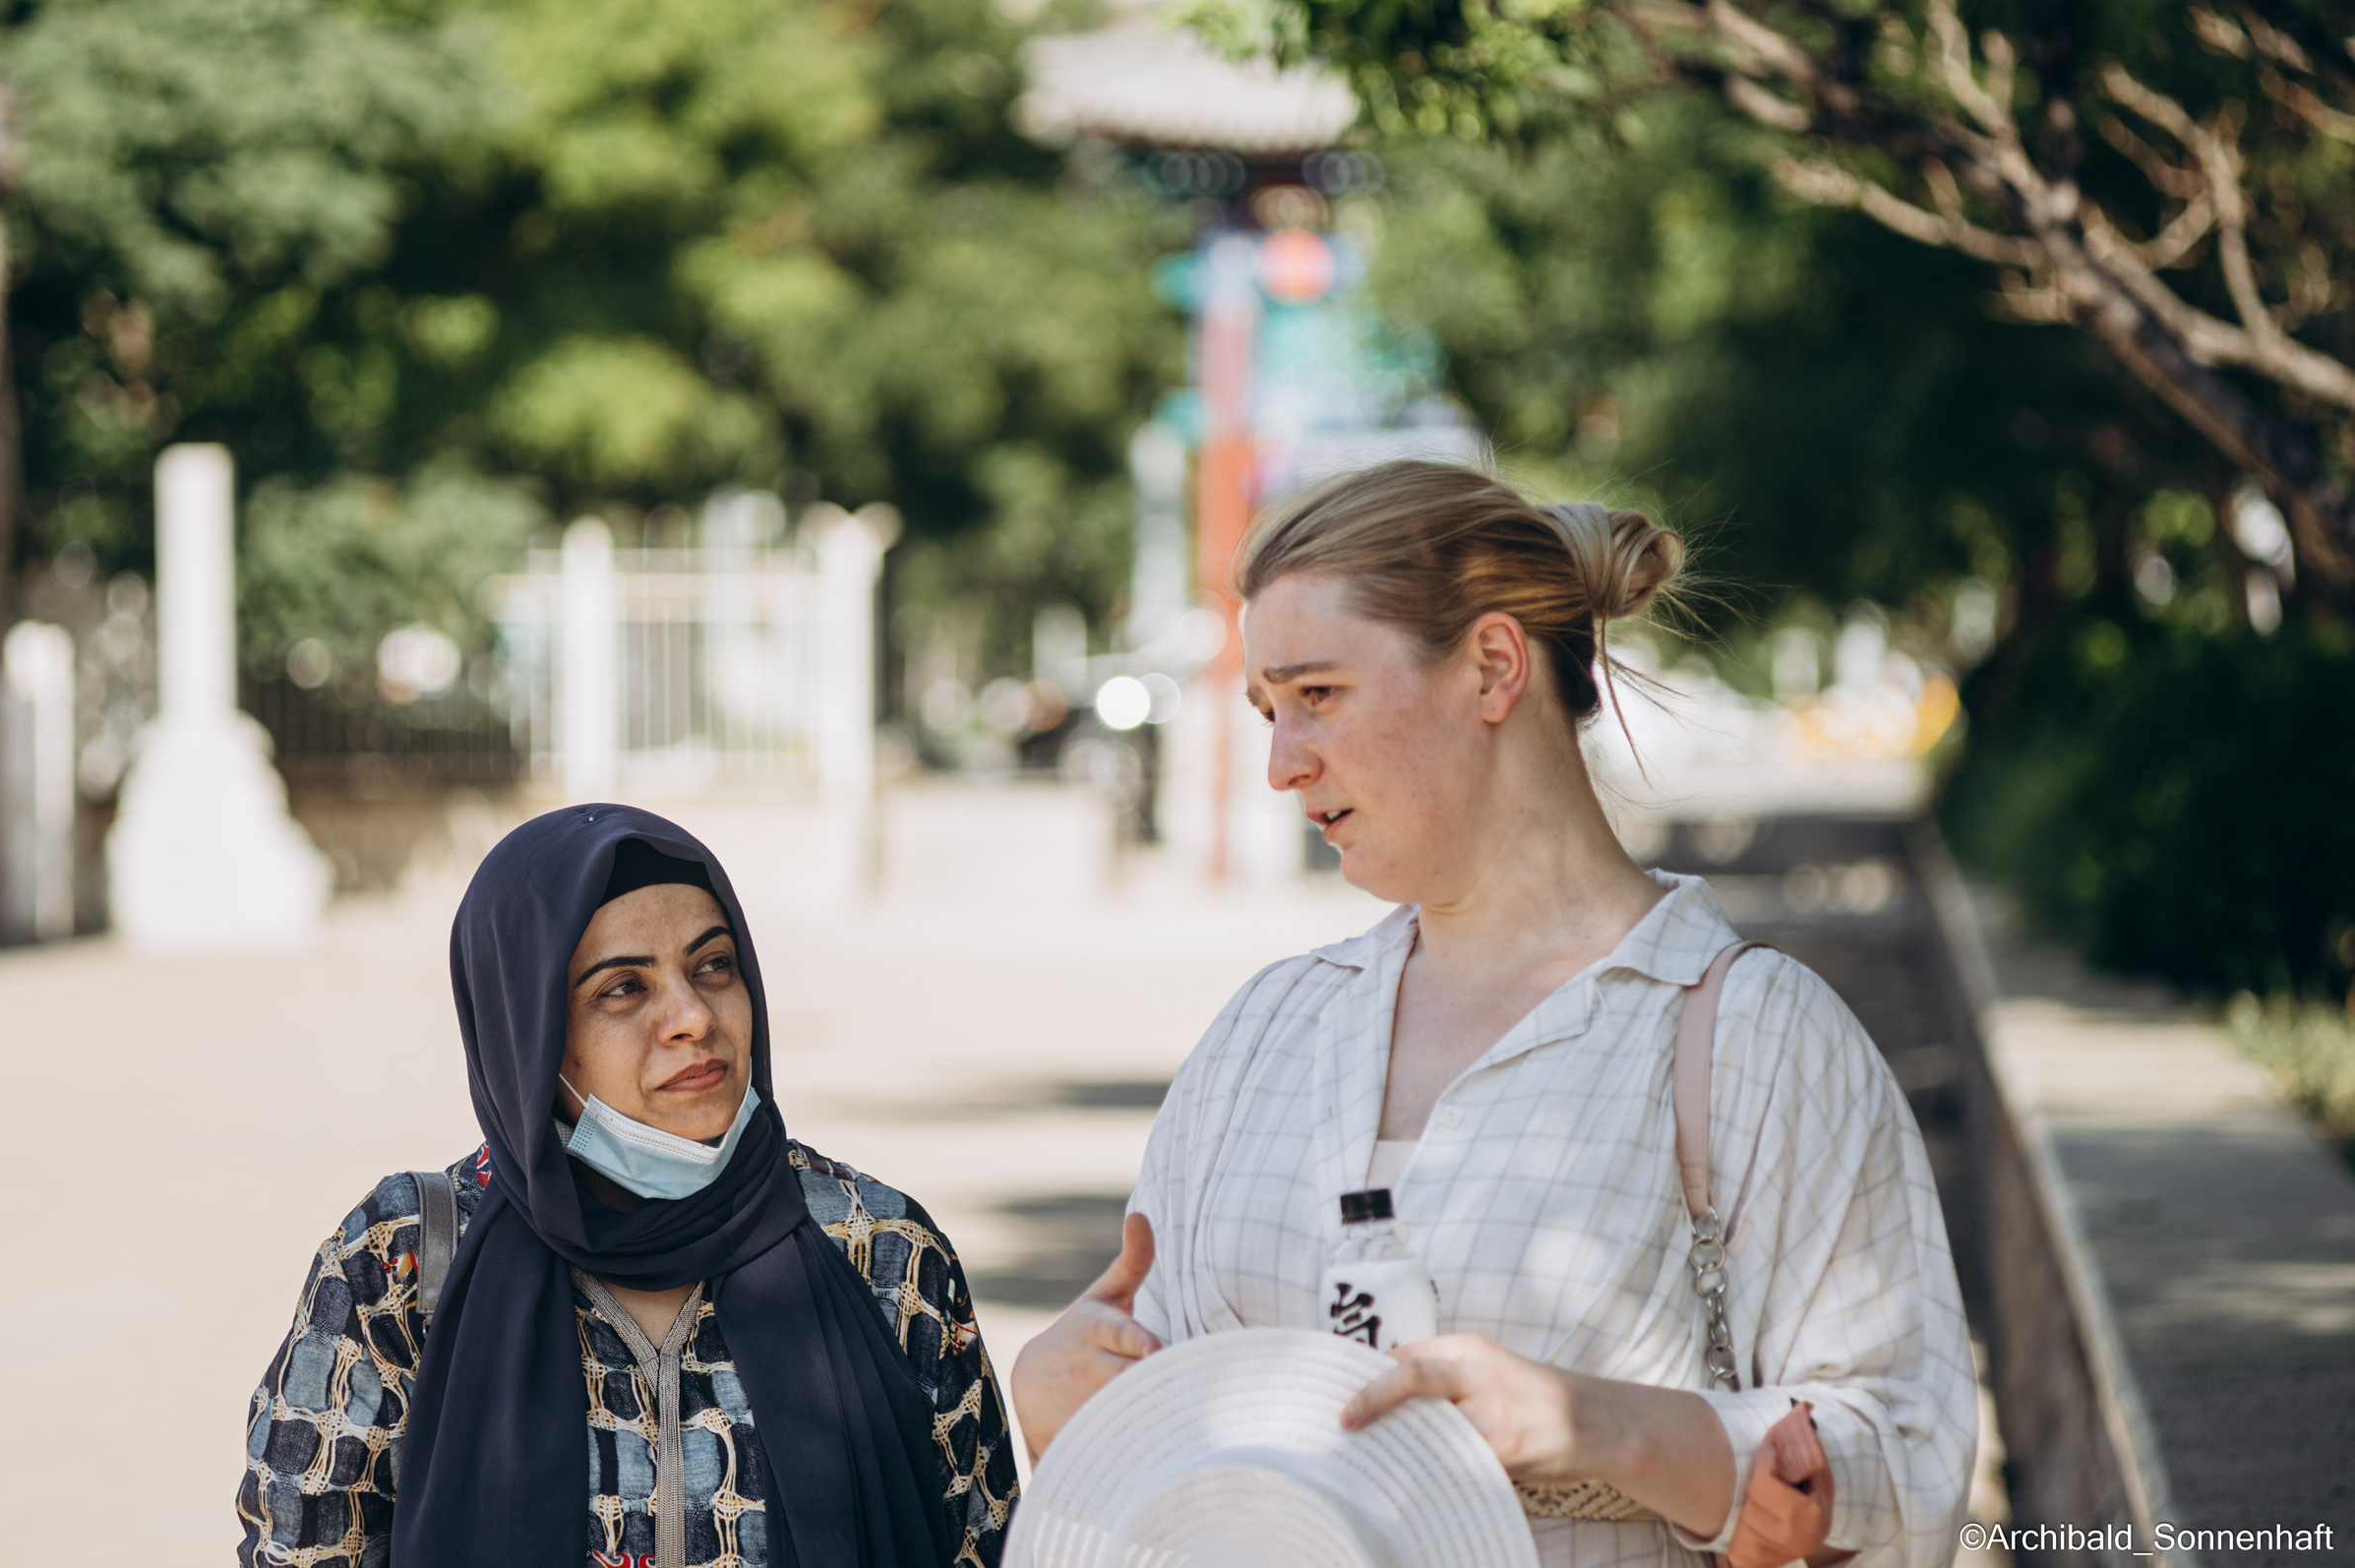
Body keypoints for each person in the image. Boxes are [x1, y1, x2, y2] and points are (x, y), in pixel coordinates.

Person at [1012, 461, 1976, 1568]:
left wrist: (1605, 1426)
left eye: (1317, 694)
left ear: (1492, 666)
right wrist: (1065, 1402)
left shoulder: (1750, 1037)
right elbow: (1163, 1468)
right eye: (1268, 711)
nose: (1282, 764)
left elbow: (1909, 1467)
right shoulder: (1266, 1031)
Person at [236, 806, 1017, 1568]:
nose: (692, 1016)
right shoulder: (401, 1265)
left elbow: (987, 1541)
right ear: (530, 1034)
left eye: (713, 965)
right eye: (622, 987)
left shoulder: (879, 1248)